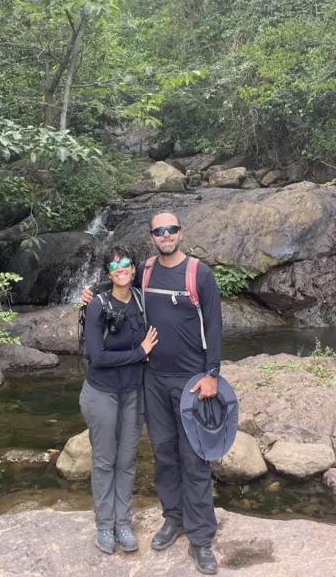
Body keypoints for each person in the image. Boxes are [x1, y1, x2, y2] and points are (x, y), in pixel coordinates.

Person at [82, 212, 222, 575]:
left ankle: (201, 537)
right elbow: (117, 286)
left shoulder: (199, 274)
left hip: (192, 381)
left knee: (195, 457)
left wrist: (212, 374)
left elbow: (215, 326)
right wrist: (91, 294)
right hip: (154, 380)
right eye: (159, 231)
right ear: (152, 237)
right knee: (164, 454)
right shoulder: (145, 271)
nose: (165, 235)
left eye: (171, 229)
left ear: (180, 232)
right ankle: (173, 519)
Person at [79, 244, 158, 555]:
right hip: (101, 393)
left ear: (134, 268)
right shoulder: (97, 304)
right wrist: (140, 353)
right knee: (104, 460)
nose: (120, 268)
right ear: (107, 272)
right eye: (113, 265)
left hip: (132, 394)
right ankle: (104, 525)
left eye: (125, 263)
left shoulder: (141, 298)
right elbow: (97, 357)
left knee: (126, 461)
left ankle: (123, 523)